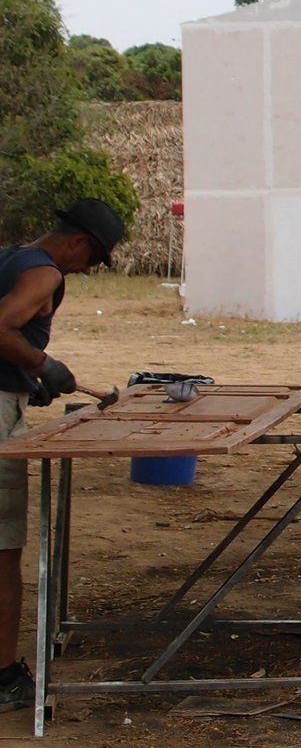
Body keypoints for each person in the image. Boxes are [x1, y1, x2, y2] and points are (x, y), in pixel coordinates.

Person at [0, 199, 124, 711]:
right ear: (77, 241)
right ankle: (4, 677)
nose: (88, 269)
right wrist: (42, 363)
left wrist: (29, 377)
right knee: (4, 551)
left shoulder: (10, 256)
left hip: (8, 393)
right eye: (92, 257)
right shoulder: (46, 273)